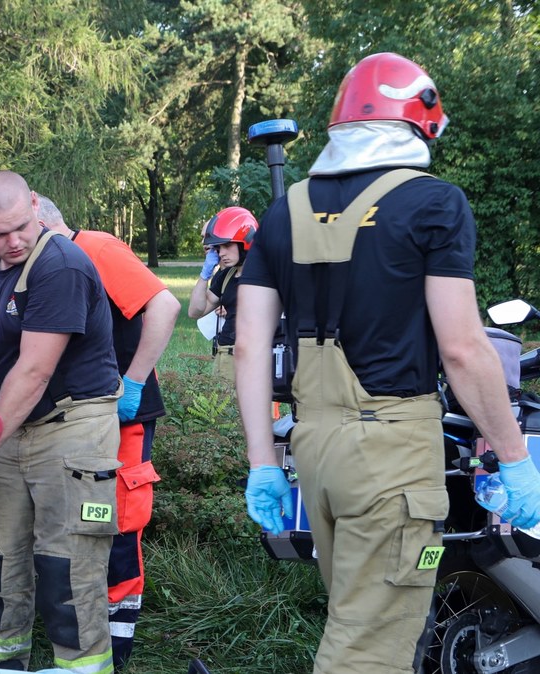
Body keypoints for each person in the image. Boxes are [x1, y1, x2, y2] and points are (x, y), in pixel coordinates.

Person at [236, 52, 540, 674]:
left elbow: (248, 346)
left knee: (353, 617)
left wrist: (263, 464)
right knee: (370, 649)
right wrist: (513, 458)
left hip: (312, 447)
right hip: (392, 452)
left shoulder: (282, 211)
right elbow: (461, 347)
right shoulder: (434, 204)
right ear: (419, 123)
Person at [0, 171, 121, 673]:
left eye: (22, 226)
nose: (14, 241)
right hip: (10, 425)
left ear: (34, 204)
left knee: (67, 572)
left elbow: (33, 370)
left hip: (73, 430)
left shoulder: (61, 266)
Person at [36, 196, 180, 667]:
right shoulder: (40, 265)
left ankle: (116, 648)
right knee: (75, 521)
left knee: (117, 522)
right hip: (73, 417)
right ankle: (80, 632)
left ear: (42, 219)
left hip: (123, 416)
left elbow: (164, 305)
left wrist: (134, 382)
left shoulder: (96, 248)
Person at [188, 207, 259, 385]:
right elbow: (195, 311)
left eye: (227, 246)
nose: (221, 253)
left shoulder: (265, 276)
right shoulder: (225, 275)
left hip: (253, 357)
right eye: (219, 248)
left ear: (246, 241)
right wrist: (205, 275)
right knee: (222, 410)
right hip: (225, 355)